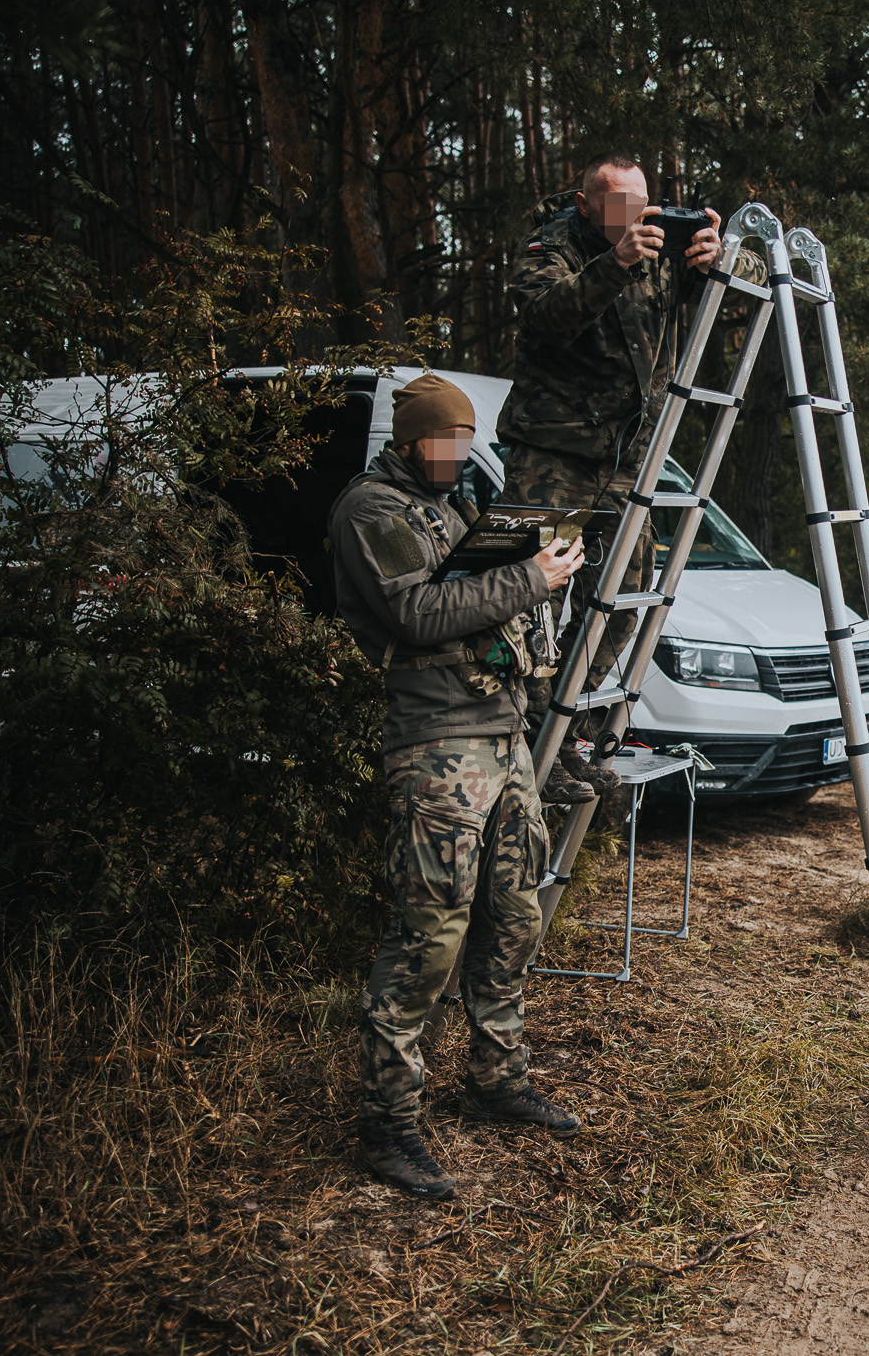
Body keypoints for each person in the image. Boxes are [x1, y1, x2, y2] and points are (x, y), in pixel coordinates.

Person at [330, 374, 590, 1200]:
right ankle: (389, 1123)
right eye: (444, 440)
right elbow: (421, 615)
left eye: (463, 439)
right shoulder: (372, 511)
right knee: (429, 933)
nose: (454, 453)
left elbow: (479, 595)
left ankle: (495, 1074)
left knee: (517, 911)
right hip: (435, 744)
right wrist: (528, 580)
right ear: (409, 440)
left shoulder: (449, 502)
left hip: (501, 735)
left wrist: (538, 569)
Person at [496, 152, 724, 804]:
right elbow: (546, 317)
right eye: (619, 204)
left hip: (624, 461)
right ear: (586, 203)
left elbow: (738, 286)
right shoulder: (551, 246)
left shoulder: (659, 245)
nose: (636, 216)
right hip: (554, 458)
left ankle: (563, 729)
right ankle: (532, 740)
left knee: (621, 599)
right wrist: (616, 264)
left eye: (643, 201)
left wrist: (719, 261)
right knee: (535, 600)